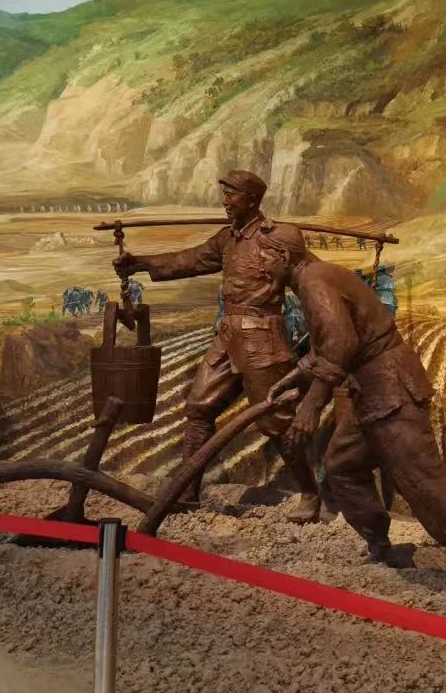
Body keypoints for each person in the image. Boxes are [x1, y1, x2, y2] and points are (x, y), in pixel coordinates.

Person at [270, 245, 446, 598]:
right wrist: (294, 378)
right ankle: (382, 548)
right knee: (343, 466)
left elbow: (340, 344)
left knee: (418, 477)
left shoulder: (314, 281)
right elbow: (326, 346)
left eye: (265, 261)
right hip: (370, 391)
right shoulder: (320, 277)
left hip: (389, 387)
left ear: (285, 258)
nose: (259, 270)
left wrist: (312, 406)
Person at [113, 170, 320, 523]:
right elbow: (190, 259)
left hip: (263, 336)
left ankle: (310, 493)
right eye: (224, 194)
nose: (225, 201)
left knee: (277, 420)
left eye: (231, 195)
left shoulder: (279, 236)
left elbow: (312, 278)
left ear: (252, 199)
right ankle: (186, 494)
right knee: (199, 408)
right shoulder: (228, 239)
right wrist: (142, 264)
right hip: (227, 337)